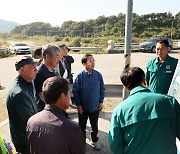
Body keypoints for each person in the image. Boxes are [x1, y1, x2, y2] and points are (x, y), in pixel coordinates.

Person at [108, 67, 180, 154]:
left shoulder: (120, 111)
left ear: (126, 88)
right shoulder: (169, 102)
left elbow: (115, 145)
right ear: (144, 80)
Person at [27, 76, 85, 154]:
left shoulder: (32, 121)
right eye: (68, 92)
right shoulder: (71, 129)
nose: (70, 97)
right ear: (62, 97)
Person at [72, 53, 105, 150]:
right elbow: (75, 91)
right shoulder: (80, 76)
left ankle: (95, 140)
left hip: (95, 106)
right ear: (84, 64)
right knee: (82, 126)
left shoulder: (98, 75)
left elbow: (102, 89)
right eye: (90, 61)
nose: (93, 63)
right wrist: (78, 105)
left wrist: (101, 101)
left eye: (93, 60)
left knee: (94, 125)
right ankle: (82, 141)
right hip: (83, 107)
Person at [6, 57, 39, 154]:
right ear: (22, 70)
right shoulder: (19, 93)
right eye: (32, 66)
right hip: (26, 143)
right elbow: (31, 122)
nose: (36, 69)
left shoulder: (25, 84)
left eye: (36, 66)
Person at [34, 45, 60, 111]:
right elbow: (43, 97)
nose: (59, 59)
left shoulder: (54, 70)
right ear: (47, 57)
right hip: (46, 112)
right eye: (57, 56)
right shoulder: (40, 74)